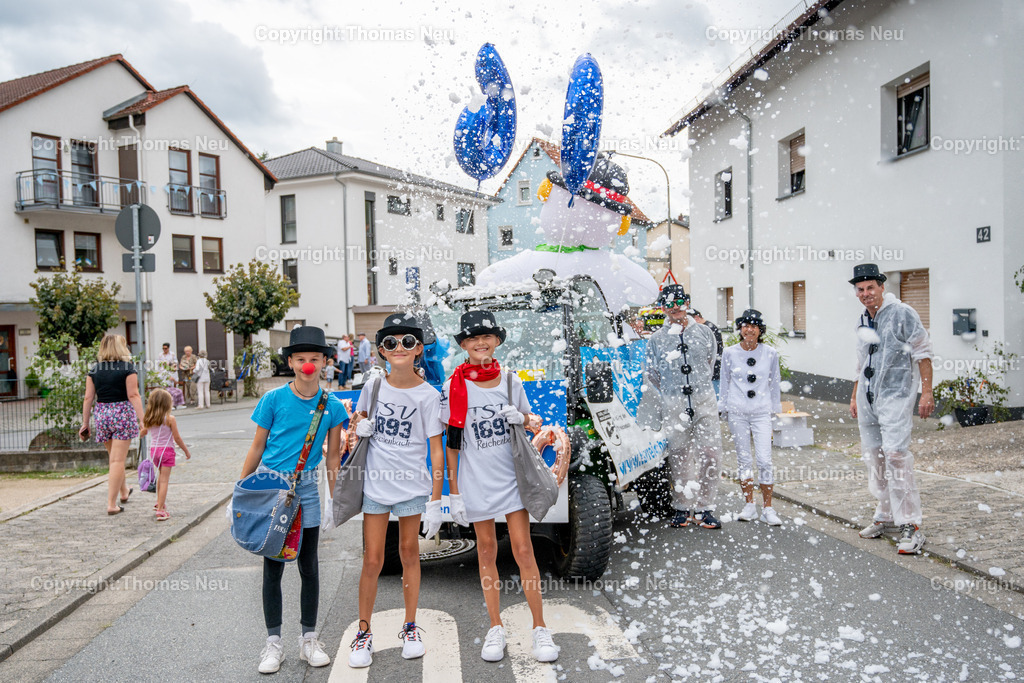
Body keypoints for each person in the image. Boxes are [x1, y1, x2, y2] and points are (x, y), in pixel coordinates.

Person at [441, 310, 559, 664]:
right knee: (487, 551)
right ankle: (495, 627)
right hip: (476, 480)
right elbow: (451, 443)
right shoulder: (453, 386)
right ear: (463, 345)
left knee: (524, 551)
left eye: (487, 337)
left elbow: (533, 420)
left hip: (511, 478)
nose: (480, 343)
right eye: (473, 338)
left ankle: (540, 627)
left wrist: (520, 418)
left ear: (496, 342)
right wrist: (454, 491)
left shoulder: (510, 380)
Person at [238, 325, 346, 674]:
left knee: (309, 566)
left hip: (307, 492)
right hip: (270, 490)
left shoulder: (331, 405)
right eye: (301, 359)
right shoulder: (272, 399)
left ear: (326, 362)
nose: (308, 365)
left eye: (315, 358)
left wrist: (335, 498)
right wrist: (241, 492)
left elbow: (332, 457)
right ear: (290, 362)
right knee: (273, 567)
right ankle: (273, 645)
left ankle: (308, 640)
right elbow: (257, 446)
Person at [345, 314, 443, 669]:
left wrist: (436, 500)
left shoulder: (429, 396)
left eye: (406, 342)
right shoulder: (371, 388)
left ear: (418, 349)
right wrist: (362, 426)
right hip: (376, 485)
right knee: (372, 559)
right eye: (390, 343)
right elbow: (355, 432)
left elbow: (435, 450)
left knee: (409, 553)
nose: (398, 348)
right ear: (381, 352)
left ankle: (411, 626)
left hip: (413, 487)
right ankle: (364, 632)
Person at [848, 263, 933, 555]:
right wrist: (854, 395)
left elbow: (923, 351)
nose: (866, 293)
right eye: (860, 289)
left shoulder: (902, 313)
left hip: (896, 395)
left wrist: (927, 393)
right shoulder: (862, 319)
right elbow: (861, 363)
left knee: (896, 455)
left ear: (882, 286)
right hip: (868, 398)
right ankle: (885, 514)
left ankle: (911, 524)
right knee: (875, 457)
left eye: (871, 287)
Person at [642, 284, 725, 529]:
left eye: (679, 301)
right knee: (679, 455)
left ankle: (704, 507)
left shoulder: (704, 332)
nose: (674, 307)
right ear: (662, 308)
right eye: (669, 303)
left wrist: (696, 387)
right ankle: (682, 506)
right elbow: (652, 373)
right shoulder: (656, 340)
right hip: (673, 402)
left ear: (686, 303)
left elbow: (710, 365)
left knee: (710, 453)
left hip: (704, 399)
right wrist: (673, 391)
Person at [719, 309, 783, 525]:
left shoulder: (770, 353)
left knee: (765, 460)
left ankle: (768, 508)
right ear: (740, 329)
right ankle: (749, 505)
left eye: (754, 326)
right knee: (744, 459)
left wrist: (775, 411)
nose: (749, 329)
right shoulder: (729, 353)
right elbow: (724, 381)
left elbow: (774, 382)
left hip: (761, 412)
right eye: (745, 325)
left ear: (760, 330)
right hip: (737, 411)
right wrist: (723, 407)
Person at [80, 334, 144, 515]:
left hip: (102, 415)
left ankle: (124, 491)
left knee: (114, 458)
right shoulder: (127, 368)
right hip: (122, 415)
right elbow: (133, 395)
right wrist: (142, 420)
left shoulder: (94, 370)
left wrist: (85, 424)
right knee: (117, 460)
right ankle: (111, 504)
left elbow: (88, 398)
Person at [139, 388, 192, 520]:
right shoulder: (170, 419)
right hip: (167, 451)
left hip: (154, 451)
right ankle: (161, 510)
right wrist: (186, 450)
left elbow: (143, 433)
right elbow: (177, 438)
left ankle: (159, 502)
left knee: (160, 477)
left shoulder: (149, 418)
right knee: (164, 480)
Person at [691, 309, 723, 397]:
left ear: (696, 318)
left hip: (713, 370)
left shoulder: (708, 329)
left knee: (713, 396)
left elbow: (710, 352)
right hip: (713, 369)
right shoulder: (709, 327)